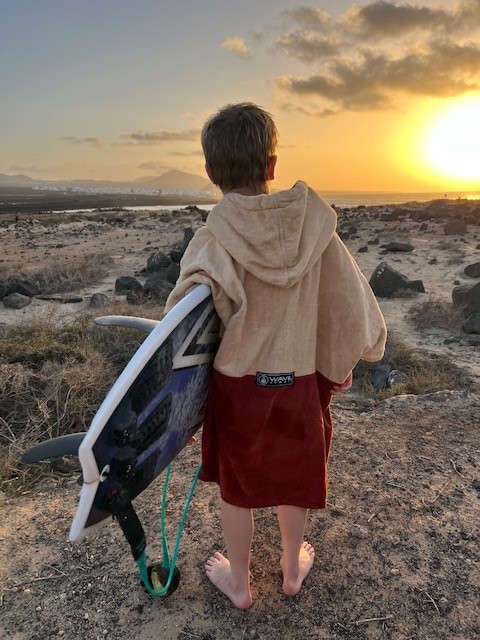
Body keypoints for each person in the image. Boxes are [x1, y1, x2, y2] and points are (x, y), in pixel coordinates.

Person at [165, 102, 386, 609]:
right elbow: (350, 306)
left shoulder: (211, 241)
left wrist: (178, 409)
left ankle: (240, 584)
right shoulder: (317, 230)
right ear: (271, 165)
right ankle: (290, 569)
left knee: (236, 486)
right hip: (300, 380)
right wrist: (344, 362)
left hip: (238, 386)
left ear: (211, 173)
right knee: (294, 475)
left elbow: (179, 329)